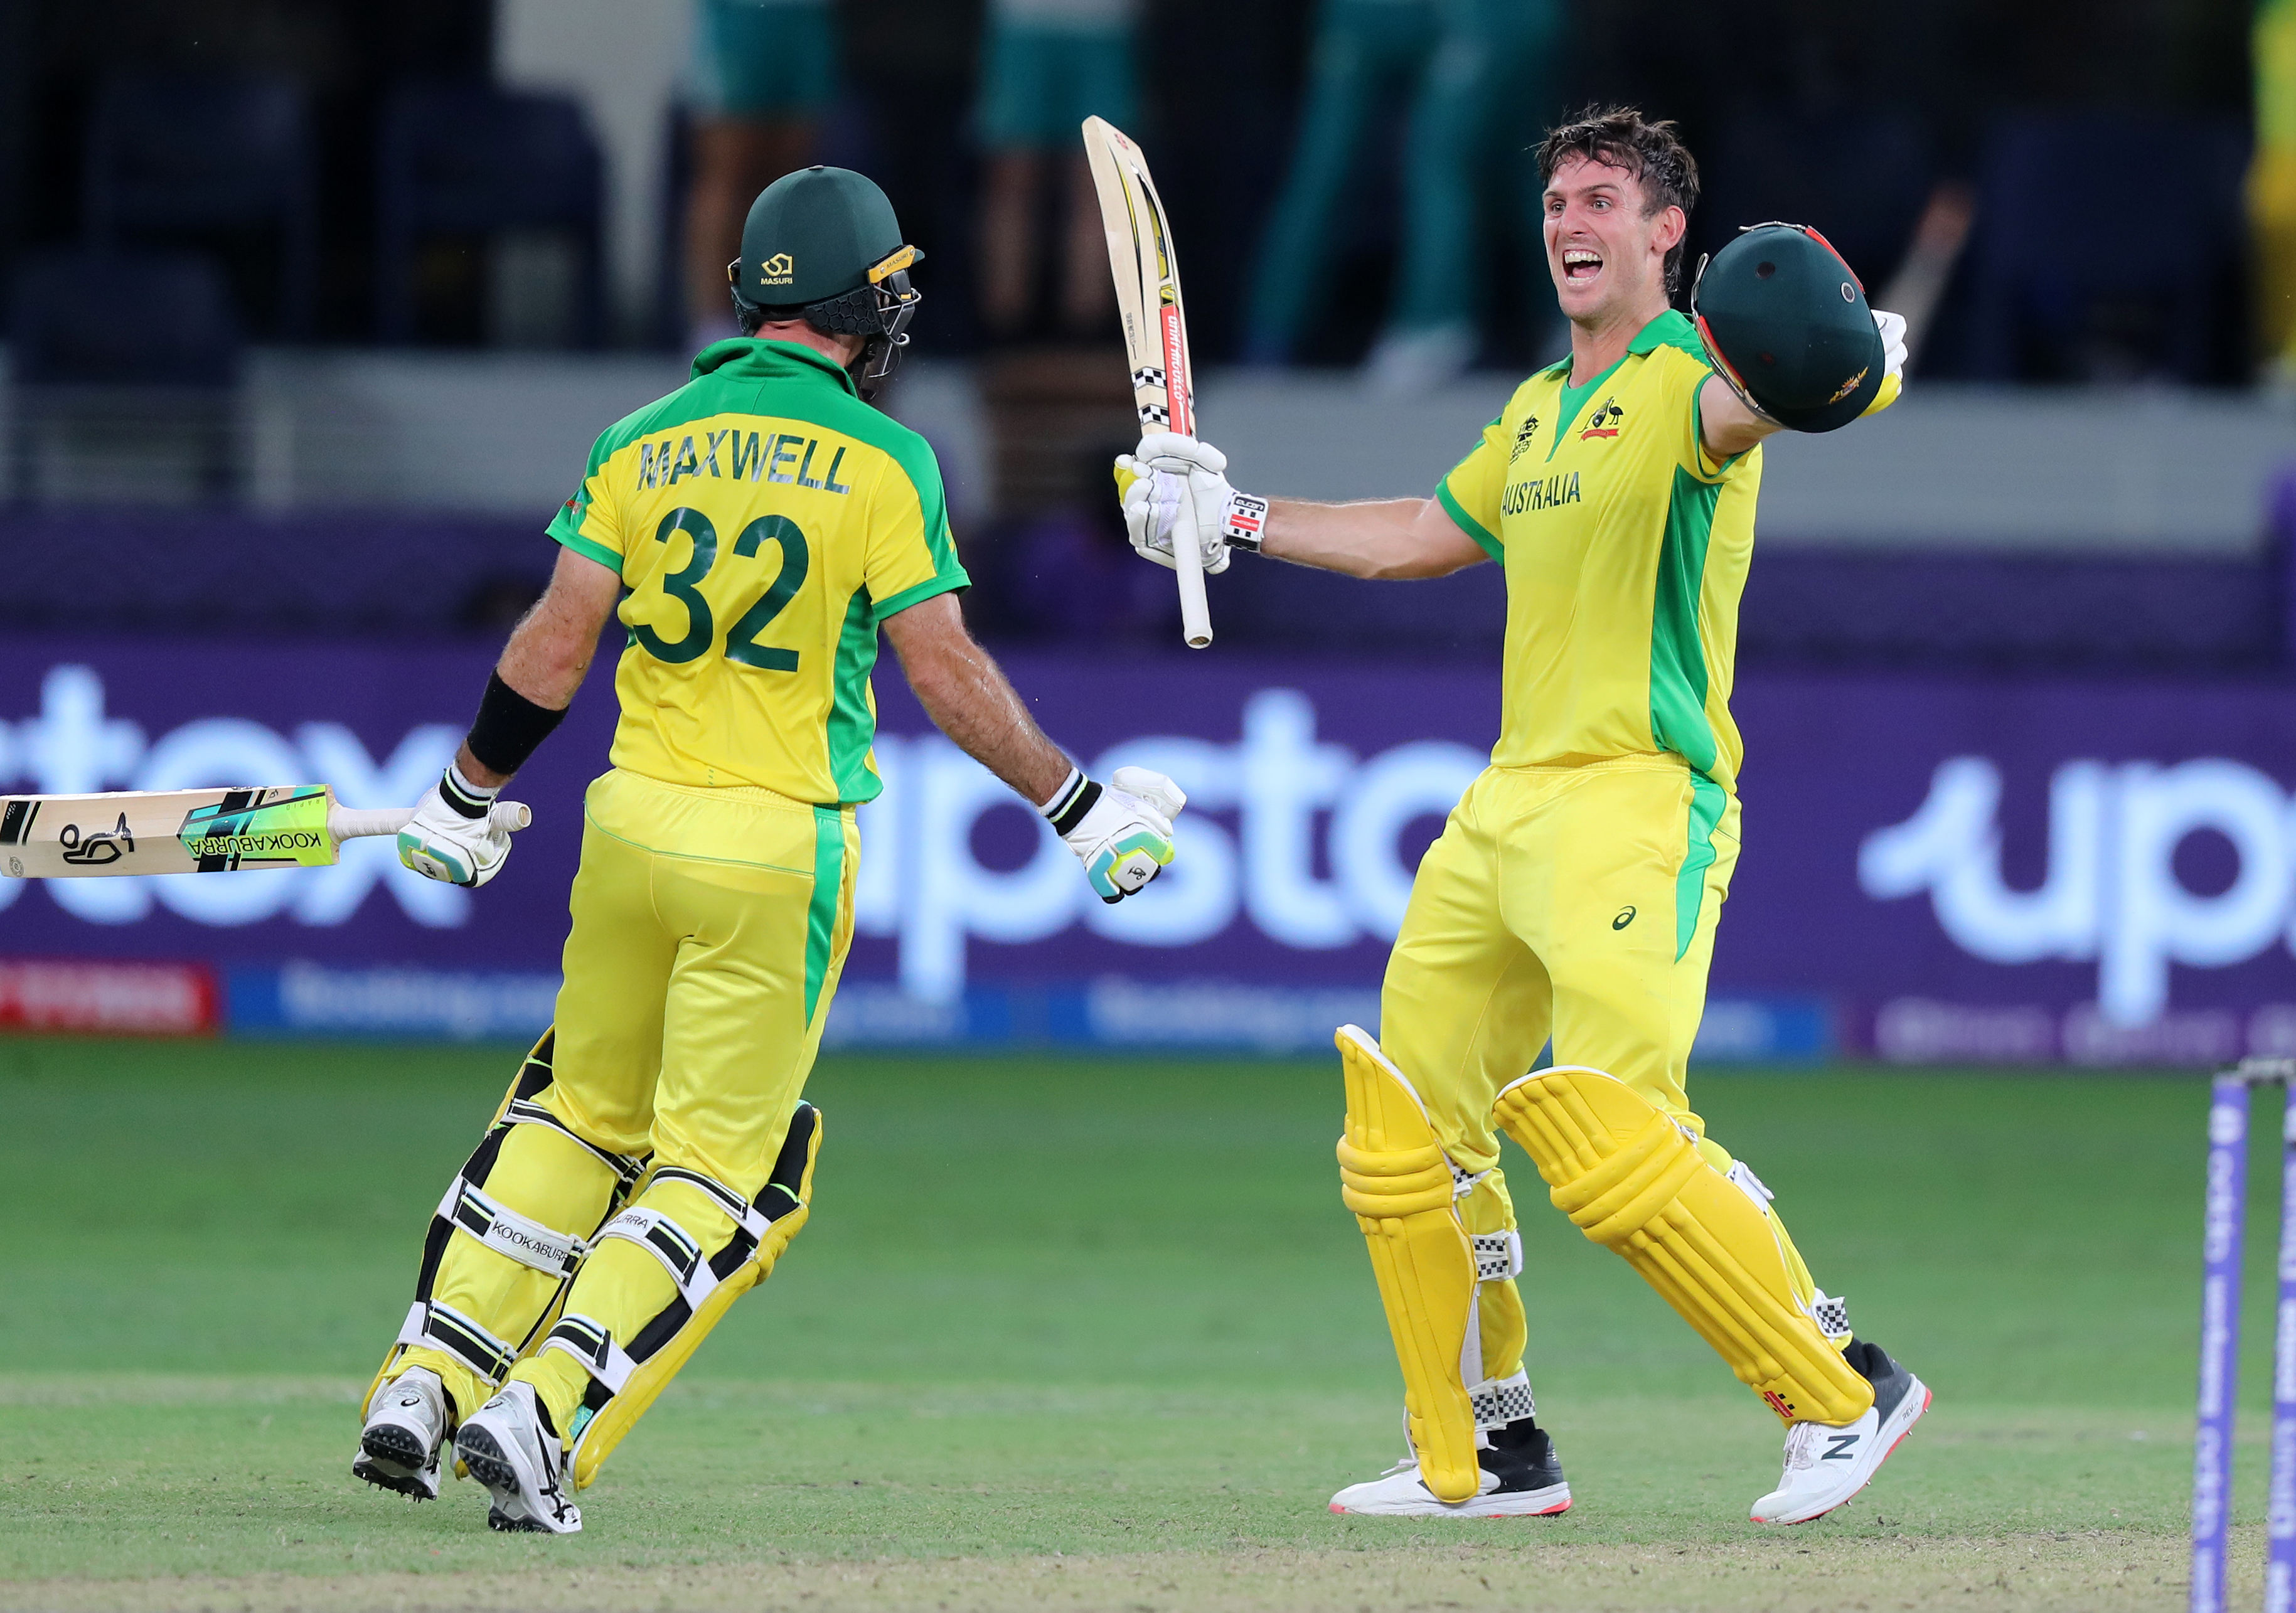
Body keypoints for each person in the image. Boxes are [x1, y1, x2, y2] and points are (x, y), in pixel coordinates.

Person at [351, 166, 1187, 1535]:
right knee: (720, 1170)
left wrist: (461, 789)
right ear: (865, 308)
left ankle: (427, 1378)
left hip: (628, 828)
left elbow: (553, 643)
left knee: (572, 1116)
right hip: (774, 848)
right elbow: (944, 670)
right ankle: (542, 1403)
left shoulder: (638, 436)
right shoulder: (884, 460)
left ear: (748, 298)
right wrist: (1076, 806)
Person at [1118, 107, 1925, 1524]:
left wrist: (1857, 366)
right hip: (1504, 806)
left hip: (1636, 796)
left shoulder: (1691, 381)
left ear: (1667, 232)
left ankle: (1840, 1386)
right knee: (1408, 1134)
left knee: (1619, 1142)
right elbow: (1426, 534)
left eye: (1601, 199)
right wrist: (1229, 518)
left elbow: (1788, 394)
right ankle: (1493, 1448)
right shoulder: (1539, 409)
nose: (1569, 223)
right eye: (1557, 200)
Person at [1242, 0, 1560, 390]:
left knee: (1457, 158)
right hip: (1373, 16)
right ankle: (1269, 335)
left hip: (1484, 15)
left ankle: (1436, 323)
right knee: (1324, 166)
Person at [974, 0, 1141, 338]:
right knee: (1011, 180)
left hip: (1106, 25)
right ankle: (1002, 337)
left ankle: (1086, 338)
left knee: (1101, 183)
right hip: (1022, 21)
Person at [682, 0, 837, 350]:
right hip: (739, 16)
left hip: (805, 17)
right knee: (728, 171)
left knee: (792, 183)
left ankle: (781, 313)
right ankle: (711, 324)